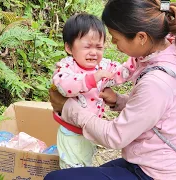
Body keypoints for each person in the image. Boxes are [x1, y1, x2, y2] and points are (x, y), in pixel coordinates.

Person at [46, 0, 176, 179]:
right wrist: (120, 101)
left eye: (116, 39)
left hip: (154, 174)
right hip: (153, 160)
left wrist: (68, 108)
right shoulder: (175, 52)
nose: (115, 45)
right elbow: (157, 110)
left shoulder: (157, 82)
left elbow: (115, 137)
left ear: (141, 38)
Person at [51, 13, 135, 169]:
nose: (93, 52)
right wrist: (92, 78)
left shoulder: (102, 65)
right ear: (69, 48)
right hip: (71, 133)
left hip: (90, 131)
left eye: (99, 47)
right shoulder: (67, 68)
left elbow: (120, 73)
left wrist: (134, 63)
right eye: (87, 46)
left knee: (86, 165)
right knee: (72, 169)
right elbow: (65, 87)